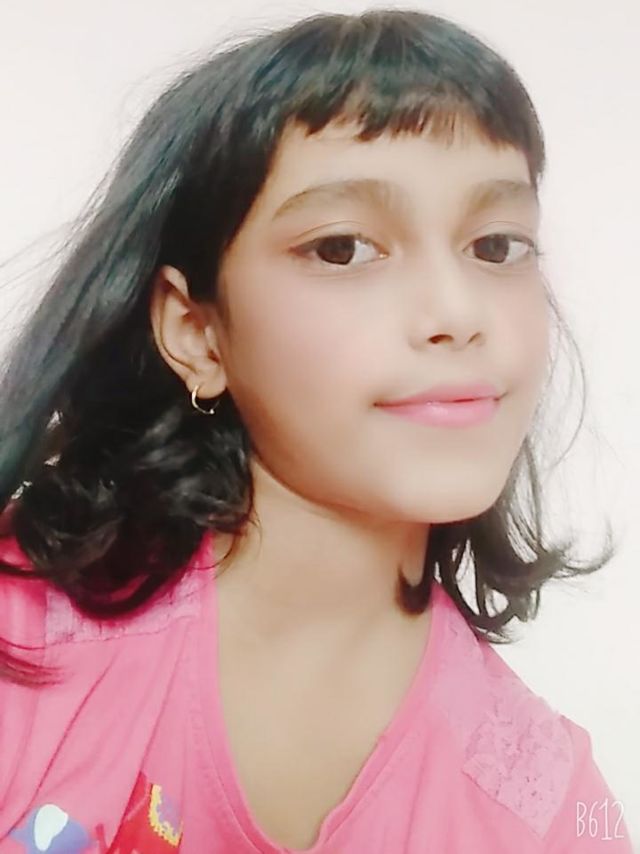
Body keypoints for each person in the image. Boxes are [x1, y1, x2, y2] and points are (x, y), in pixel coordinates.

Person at [0, 7, 633, 853]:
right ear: (197, 332)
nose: (458, 312)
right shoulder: (21, 644)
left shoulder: (551, 811)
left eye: (496, 246)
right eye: (342, 249)